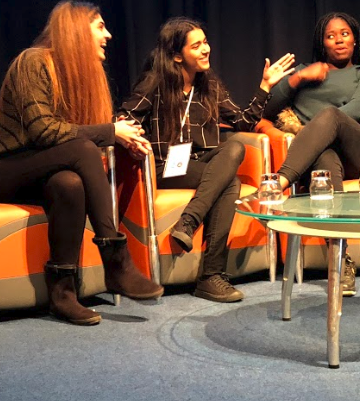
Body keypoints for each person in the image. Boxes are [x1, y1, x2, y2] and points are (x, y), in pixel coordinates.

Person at [0, 0, 164, 326]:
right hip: (0, 171)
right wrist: (110, 132)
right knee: (84, 149)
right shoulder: (33, 62)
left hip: (43, 172)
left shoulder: (77, 77)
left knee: (69, 184)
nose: (109, 35)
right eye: (100, 26)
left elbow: (69, 139)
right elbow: (44, 131)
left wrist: (118, 137)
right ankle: (115, 260)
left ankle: (63, 294)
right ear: (75, 29)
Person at [119, 17, 295, 303]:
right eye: (196, 45)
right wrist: (135, 138)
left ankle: (189, 224)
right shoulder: (156, 82)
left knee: (234, 149)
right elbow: (127, 116)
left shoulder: (209, 85)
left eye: (206, 42)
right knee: (230, 183)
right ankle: (211, 276)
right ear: (177, 55)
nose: (206, 50)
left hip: (201, 162)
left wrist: (264, 86)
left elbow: (242, 122)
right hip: (166, 166)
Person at [259, 12, 360, 296]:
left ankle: (279, 182)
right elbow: (265, 112)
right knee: (324, 165)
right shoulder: (304, 72)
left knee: (331, 117)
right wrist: (298, 78)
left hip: (358, 154)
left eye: (344, 33)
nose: (339, 40)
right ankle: (340, 261)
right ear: (322, 42)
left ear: (355, 39)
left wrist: (317, 127)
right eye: (331, 36)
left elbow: (355, 112)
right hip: (316, 154)